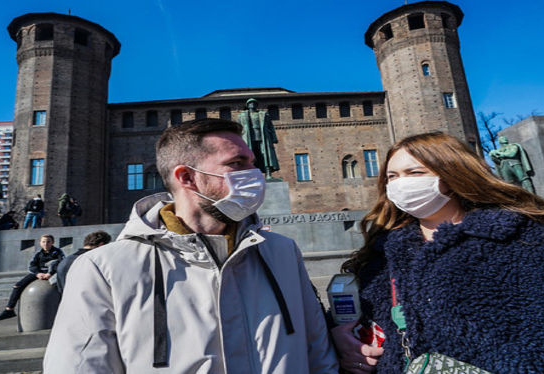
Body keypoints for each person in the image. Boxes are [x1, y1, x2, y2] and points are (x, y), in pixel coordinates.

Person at [331, 132, 544, 373]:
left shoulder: (531, 243)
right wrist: (340, 339)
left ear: (452, 175)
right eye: (392, 177)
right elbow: (354, 325)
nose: (400, 184)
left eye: (415, 173)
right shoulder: (380, 257)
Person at [44, 118, 337, 373]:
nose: (255, 174)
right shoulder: (102, 268)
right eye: (237, 164)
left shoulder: (282, 252)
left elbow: (318, 352)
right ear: (187, 177)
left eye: (252, 163)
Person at [0, 234, 64, 321]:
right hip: (40, 273)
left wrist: (50, 273)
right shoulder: (39, 254)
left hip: (52, 273)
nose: (46, 244)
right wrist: (37, 273)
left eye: (48, 242)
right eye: (43, 242)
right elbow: (32, 266)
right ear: (40, 243)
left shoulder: (58, 252)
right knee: (17, 286)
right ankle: (9, 310)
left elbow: (62, 264)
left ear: (52, 242)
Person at [237, 98, 280, 179]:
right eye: (250, 103)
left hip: (263, 138)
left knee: (266, 156)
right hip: (248, 139)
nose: (252, 104)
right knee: (251, 156)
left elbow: (271, 127)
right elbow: (238, 129)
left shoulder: (264, 114)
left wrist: (274, 138)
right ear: (247, 105)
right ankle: (252, 175)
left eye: (254, 103)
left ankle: (268, 174)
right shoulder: (241, 116)